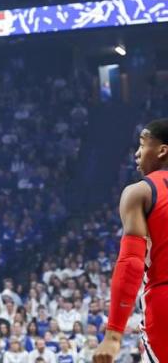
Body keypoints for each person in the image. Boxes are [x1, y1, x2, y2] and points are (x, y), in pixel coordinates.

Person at [93, 119, 168, 363]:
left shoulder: (141, 191)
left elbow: (131, 262)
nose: (136, 153)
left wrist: (113, 336)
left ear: (162, 150)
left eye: (142, 144)